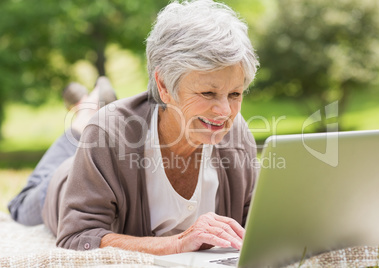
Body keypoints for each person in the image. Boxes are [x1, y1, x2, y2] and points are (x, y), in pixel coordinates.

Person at [9, 0, 259, 255]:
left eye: (235, 94)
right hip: (62, 182)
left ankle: (92, 111)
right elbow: (77, 236)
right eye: (208, 93)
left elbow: (259, 225)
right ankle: (83, 117)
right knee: (22, 206)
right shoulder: (106, 133)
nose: (225, 112)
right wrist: (177, 243)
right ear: (163, 86)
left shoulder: (238, 137)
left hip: (108, 133)